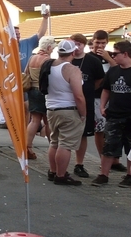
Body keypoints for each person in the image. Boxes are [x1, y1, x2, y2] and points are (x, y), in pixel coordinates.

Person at [44, 40, 86, 186]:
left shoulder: (49, 65)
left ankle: (53, 171)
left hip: (51, 108)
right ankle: (61, 175)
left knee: (54, 142)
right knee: (65, 144)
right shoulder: (72, 69)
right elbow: (78, 96)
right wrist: (83, 114)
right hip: (68, 109)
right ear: (73, 52)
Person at [92, 40, 131, 187]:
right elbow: (106, 90)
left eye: (115, 54)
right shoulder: (113, 71)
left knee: (130, 147)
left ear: (125, 54)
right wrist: (102, 106)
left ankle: (129, 175)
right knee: (109, 146)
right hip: (114, 114)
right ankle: (103, 174)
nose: (112, 56)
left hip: (129, 115)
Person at [69, 33, 104, 178]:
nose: (76, 47)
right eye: (74, 44)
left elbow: (100, 79)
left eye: (79, 44)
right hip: (68, 101)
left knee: (83, 134)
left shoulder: (92, 61)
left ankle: (79, 164)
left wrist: (89, 90)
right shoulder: (67, 59)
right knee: (66, 133)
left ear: (84, 45)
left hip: (86, 101)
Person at [89, 30, 124, 172]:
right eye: (97, 42)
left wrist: (109, 58)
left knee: (115, 130)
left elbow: (121, 70)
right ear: (93, 42)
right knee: (100, 130)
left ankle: (115, 160)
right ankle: (102, 159)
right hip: (97, 97)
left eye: (103, 43)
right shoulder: (89, 57)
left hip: (114, 97)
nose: (100, 46)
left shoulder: (112, 55)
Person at [24, 37, 55, 161]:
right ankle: (53, 147)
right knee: (48, 121)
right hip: (43, 91)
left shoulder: (32, 58)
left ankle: (28, 147)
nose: (52, 50)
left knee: (34, 120)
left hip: (32, 90)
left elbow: (26, 73)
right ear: (49, 47)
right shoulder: (48, 60)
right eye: (52, 48)